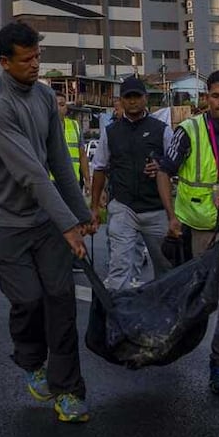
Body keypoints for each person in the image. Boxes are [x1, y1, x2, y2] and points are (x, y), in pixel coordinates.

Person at [0, 21, 96, 423]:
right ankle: (31, 360)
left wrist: (81, 214)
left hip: (44, 221)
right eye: (26, 60)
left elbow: (59, 162)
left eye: (38, 57)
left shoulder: (44, 96)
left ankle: (69, 392)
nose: (35, 65)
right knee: (29, 300)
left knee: (61, 301)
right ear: (4, 62)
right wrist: (68, 225)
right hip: (5, 223)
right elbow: (30, 173)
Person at [158, 70, 219, 396]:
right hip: (193, 227)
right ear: (206, 98)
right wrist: (171, 217)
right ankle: (168, 345)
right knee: (196, 299)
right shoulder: (189, 130)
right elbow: (164, 173)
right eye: (216, 96)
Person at [89, 76, 178, 291]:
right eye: (128, 97)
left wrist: (161, 167)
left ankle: (164, 316)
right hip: (123, 207)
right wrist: (93, 207)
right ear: (121, 101)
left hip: (157, 209)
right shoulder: (111, 132)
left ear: (145, 98)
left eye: (137, 96)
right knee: (119, 269)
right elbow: (100, 168)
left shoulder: (162, 130)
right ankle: (118, 318)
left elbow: (176, 165)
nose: (133, 102)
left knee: (167, 268)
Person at [55, 91, 90, 190]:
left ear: (66, 108)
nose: (58, 108)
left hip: (73, 181)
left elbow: (82, 156)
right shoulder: (43, 126)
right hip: (51, 182)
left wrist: (87, 180)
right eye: (54, 105)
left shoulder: (75, 126)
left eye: (62, 105)